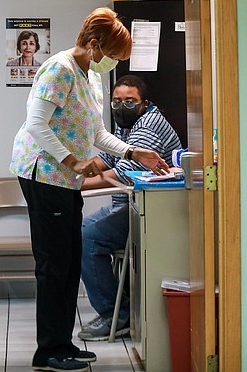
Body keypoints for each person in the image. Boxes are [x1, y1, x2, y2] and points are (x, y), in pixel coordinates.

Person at [9, 7, 170, 372]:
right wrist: (73, 162)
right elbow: (36, 123)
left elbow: (96, 133)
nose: (112, 63)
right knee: (54, 264)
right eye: (112, 56)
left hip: (65, 179)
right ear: (95, 45)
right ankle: (48, 351)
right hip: (44, 175)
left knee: (69, 260)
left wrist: (133, 152)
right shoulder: (60, 68)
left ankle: (63, 343)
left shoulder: (90, 77)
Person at [77, 75, 182, 341]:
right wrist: (74, 171)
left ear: (144, 103)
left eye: (129, 101)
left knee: (87, 238)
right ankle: (117, 305)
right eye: (116, 102)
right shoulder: (128, 124)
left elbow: (122, 171)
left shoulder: (149, 125)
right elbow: (107, 157)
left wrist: (74, 186)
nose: (121, 107)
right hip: (131, 206)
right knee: (82, 229)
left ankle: (116, 314)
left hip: (153, 211)